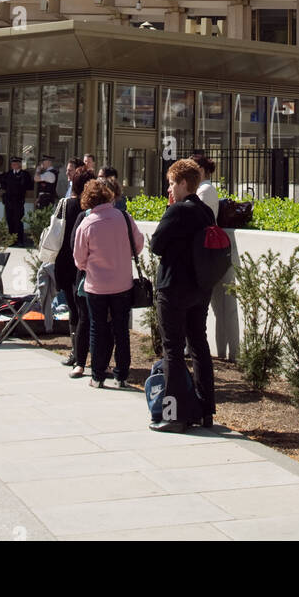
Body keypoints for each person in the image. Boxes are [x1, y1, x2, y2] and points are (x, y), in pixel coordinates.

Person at [150, 157, 216, 433]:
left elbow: (156, 244)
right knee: (199, 345)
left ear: (183, 183)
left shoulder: (176, 212)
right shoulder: (205, 212)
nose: (170, 189)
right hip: (199, 288)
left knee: (173, 350)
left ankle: (173, 414)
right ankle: (205, 408)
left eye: (172, 183)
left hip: (173, 287)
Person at [73, 179, 144, 390]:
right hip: (122, 283)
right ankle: (122, 374)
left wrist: (91, 266)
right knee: (121, 329)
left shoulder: (87, 224)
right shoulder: (123, 217)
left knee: (97, 328)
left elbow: (79, 259)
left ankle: (97, 374)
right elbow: (138, 244)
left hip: (96, 285)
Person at [55, 162, 96, 376]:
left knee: (75, 311)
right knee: (85, 312)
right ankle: (83, 353)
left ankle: (75, 353)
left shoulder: (66, 205)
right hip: (81, 265)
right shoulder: (86, 210)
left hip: (64, 262)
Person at [0, 156, 32, 246]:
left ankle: (20, 240)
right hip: (9, 201)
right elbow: (2, 183)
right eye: (12, 164)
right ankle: (11, 240)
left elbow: (25, 185)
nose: (13, 165)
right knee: (10, 220)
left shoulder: (24, 174)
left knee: (18, 221)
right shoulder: (8, 174)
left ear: (19, 164)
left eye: (15, 164)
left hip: (18, 201)